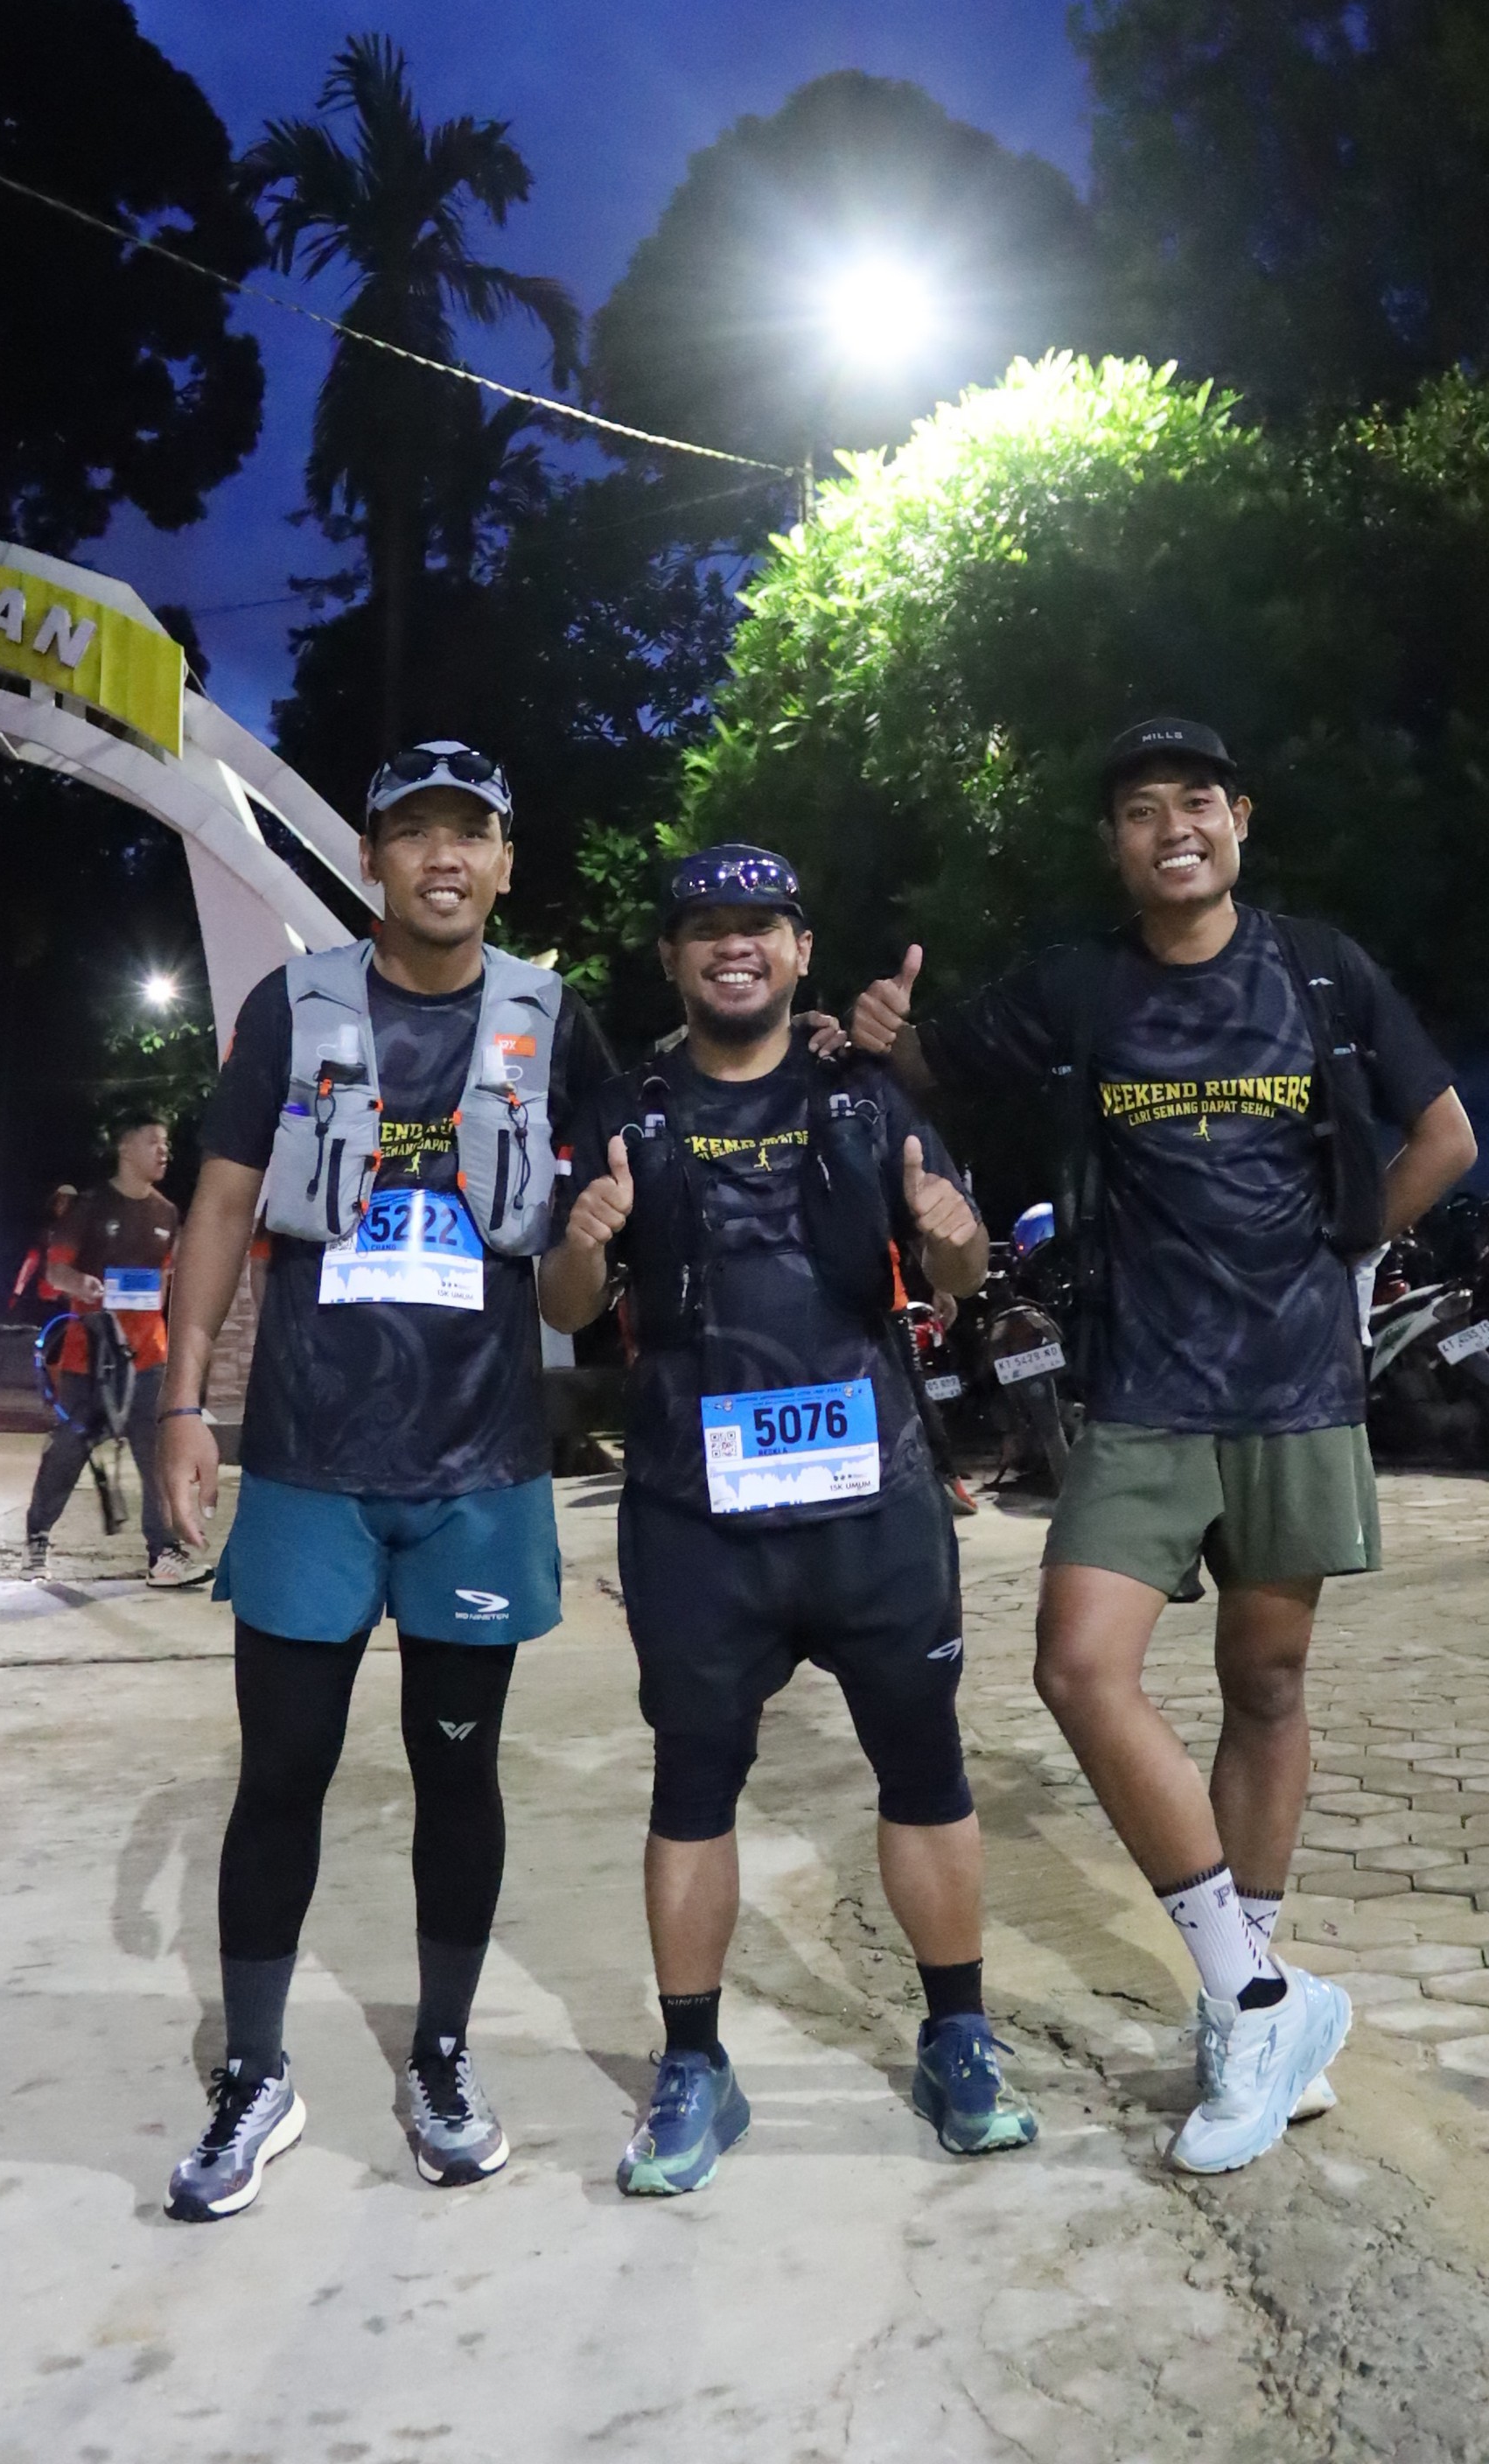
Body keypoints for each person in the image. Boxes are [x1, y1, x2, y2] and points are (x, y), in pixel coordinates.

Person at [849, 718, 1476, 2174]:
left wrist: (1345, 1251)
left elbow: (1443, 1134)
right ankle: (1259, 1996)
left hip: (1298, 1386)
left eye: (1197, 801)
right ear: (1115, 845)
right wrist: (879, 1033)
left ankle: (1244, 2013)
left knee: (1266, 1681)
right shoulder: (1081, 984)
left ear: (1239, 819)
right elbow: (929, 1064)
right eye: (1141, 810)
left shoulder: (1320, 969)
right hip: (1142, 1385)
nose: (1172, 827)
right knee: (1080, 1665)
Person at [155, 742, 614, 2222]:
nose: (442, 857)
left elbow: (578, 1285)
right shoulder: (294, 1010)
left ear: (504, 862)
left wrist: (593, 1241)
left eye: (469, 834)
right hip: (312, 1465)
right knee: (281, 1773)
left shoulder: (553, 1021)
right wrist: (181, 1405)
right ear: (370, 860)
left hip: (480, 1468)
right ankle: (255, 2074)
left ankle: (443, 2057)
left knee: (458, 1771)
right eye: (413, 833)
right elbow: (222, 1206)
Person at [542, 841, 1039, 2197]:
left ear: (800, 951)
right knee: (693, 1787)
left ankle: (959, 2039)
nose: (734, 943)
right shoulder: (621, 1112)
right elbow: (567, 1305)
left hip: (875, 1509)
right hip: (695, 1521)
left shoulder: (866, 1097)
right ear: (672, 958)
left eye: (760, 922)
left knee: (925, 1770)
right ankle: (694, 2065)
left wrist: (952, 1231)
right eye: (706, 925)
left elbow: (958, 1262)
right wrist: (583, 1243)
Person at [24, 1119, 195, 1588]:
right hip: (91, 1357)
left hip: (148, 1357)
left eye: (166, 1143)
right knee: (69, 1449)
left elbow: (163, 1280)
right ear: (125, 1147)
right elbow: (56, 1272)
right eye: (152, 1142)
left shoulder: (167, 1212)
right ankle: (38, 1535)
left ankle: (163, 1553)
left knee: (155, 1452)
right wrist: (81, 1284)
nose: (163, 1151)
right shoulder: (89, 1207)